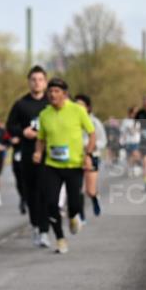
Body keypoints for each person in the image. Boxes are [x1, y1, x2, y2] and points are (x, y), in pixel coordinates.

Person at [34, 78, 94, 254]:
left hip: (74, 165)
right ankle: (60, 239)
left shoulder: (77, 111)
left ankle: (74, 216)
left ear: (65, 94)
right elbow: (41, 138)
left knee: (74, 204)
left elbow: (92, 134)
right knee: (51, 203)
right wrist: (38, 152)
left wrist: (88, 154)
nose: (52, 94)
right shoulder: (45, 114)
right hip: (52, 165)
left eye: (56, 91)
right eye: (50, 91)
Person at [6, 65, 51, 248]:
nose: (37, 83)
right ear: (29, 82)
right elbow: (10, 126)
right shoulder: (21, 104)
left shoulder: (51, 102)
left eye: (40, 79)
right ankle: (36, 226)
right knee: (32, 193)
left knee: (47, 192)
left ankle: (45, 230)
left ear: (45, 82)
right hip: (28, 154)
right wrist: (23, 132)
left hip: (50, 154)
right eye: (33, 80)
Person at [75, 95, 106, 221]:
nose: (78, 107)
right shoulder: (71, 121)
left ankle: (95, 198)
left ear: (87, 107)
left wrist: (91, 146)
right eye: (76, 104)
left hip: (92, 156)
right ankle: (81, 216)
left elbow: (103, 141)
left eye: (81, 104)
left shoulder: (94, 122)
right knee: (78, 189)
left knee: (90, 190)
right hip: (75, 157)